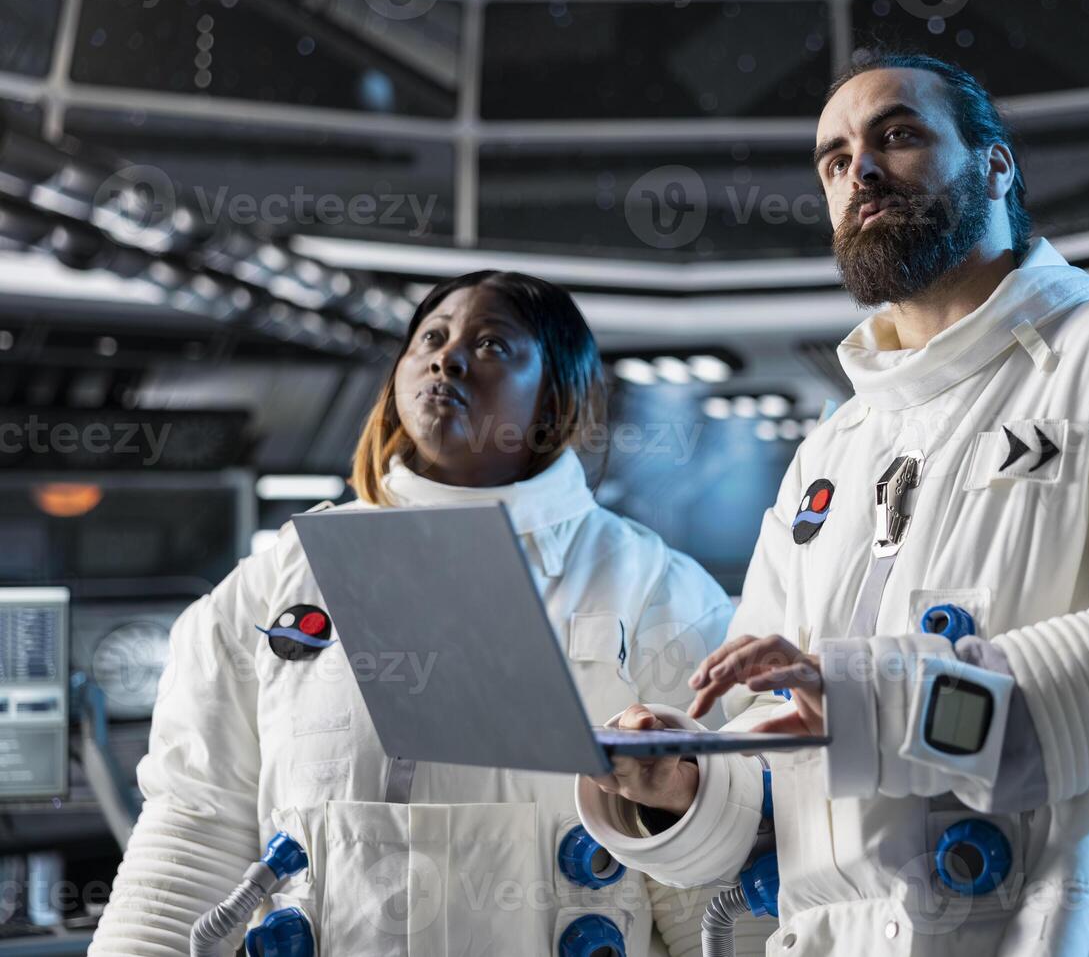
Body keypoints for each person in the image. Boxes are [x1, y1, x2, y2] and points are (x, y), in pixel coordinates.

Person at [576, 51, 1089, 956]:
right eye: (834, 159)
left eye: (899, 135)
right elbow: (778, 753)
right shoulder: (829, 452)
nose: (861, 170)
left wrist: (891, 706)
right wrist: (686, 785)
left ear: (996, 165)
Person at [89, 271, 739, 957]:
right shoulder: (280, 580)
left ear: (553, 399)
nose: (447, 357)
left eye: (492, 345)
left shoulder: (652, 589)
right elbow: (193, 829)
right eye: (431, 336)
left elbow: (709, 876)